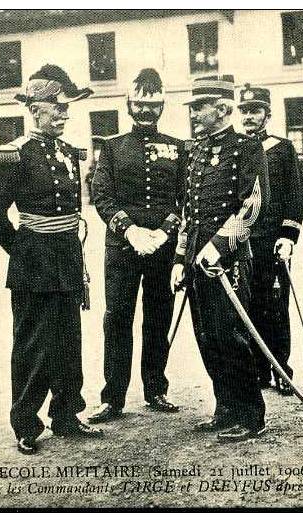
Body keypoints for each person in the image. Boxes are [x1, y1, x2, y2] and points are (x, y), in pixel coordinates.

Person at [0, 64, 102, 455]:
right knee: (33, 344)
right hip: (33, 262)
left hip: (67, 256)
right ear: (36, 110)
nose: (65, 116)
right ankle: (26, 423)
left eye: (66, 110)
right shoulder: (15, 155)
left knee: (69, 339)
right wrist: (22, 248)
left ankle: (66, 414)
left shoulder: (68, 153)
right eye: (59, 109)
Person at [170, 74, 269, 442]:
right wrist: (181, 258)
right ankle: (225, 408)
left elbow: (254, 204)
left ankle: (250, 416)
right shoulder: (193, 150)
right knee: (207, 336)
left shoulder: (247, 148)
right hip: (197, 261)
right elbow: (188, 211)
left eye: (200, 107)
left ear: (222, 109)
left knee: (231, 336)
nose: (194, 114)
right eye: (193, 108)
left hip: (228, 263)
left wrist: (218, 247)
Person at [88, 68, 186, 423]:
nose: (146, 112)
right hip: (123, 248)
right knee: (117, 319)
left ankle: (156, 388)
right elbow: (102, 196)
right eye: (139, 105)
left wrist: (163, 232)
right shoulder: (111, 148)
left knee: (158, 318)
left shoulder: (179, 148)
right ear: (128, 105)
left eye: (153, 105)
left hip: (163, 246)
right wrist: (130, 231)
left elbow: (184, 198)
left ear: (162, 106)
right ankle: (112, 397)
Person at [238, 84, 303, 396]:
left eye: (255, 111)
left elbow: (295, 194)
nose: (249, 116)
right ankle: (257, 372)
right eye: (245, 111)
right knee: (246, 307)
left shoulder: (282, 148)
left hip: (272, 242)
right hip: (240, 242)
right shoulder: (235, 149)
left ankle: (281, 371)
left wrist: (288, 236)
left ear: (268, 115)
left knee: (275, 307)